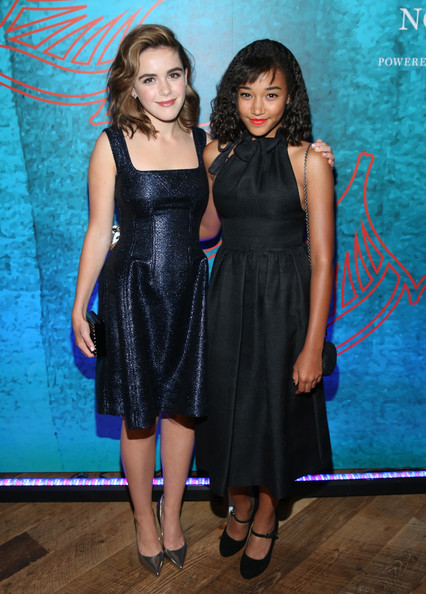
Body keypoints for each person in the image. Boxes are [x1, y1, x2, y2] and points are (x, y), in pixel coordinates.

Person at [72, 24, 334, 578]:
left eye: (173, 74)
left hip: (194, 290)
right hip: (134, 293)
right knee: (140, 416)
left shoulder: (203, 142)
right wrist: (79, 304)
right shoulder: (116, 144)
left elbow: (212, 224)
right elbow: (101, 230)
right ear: (130, 85)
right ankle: (144, 521)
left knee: (185, 410)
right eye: (149, 79)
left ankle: (174, 517)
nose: (164, 88)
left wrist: (316, 159)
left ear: (187, 78)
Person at [196, 39, 335, 580]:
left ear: (290, 96)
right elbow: (208, 229)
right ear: (233, 96)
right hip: (228, 297)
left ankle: (266, 516)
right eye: (247, 93)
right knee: (228, 410)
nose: (258, 107)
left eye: (271, 94)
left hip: (285, 303)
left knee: (276, 414)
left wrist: (312, 346)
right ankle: (240, 505)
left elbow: (323, 260)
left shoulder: (309, 161)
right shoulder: (216, 154)